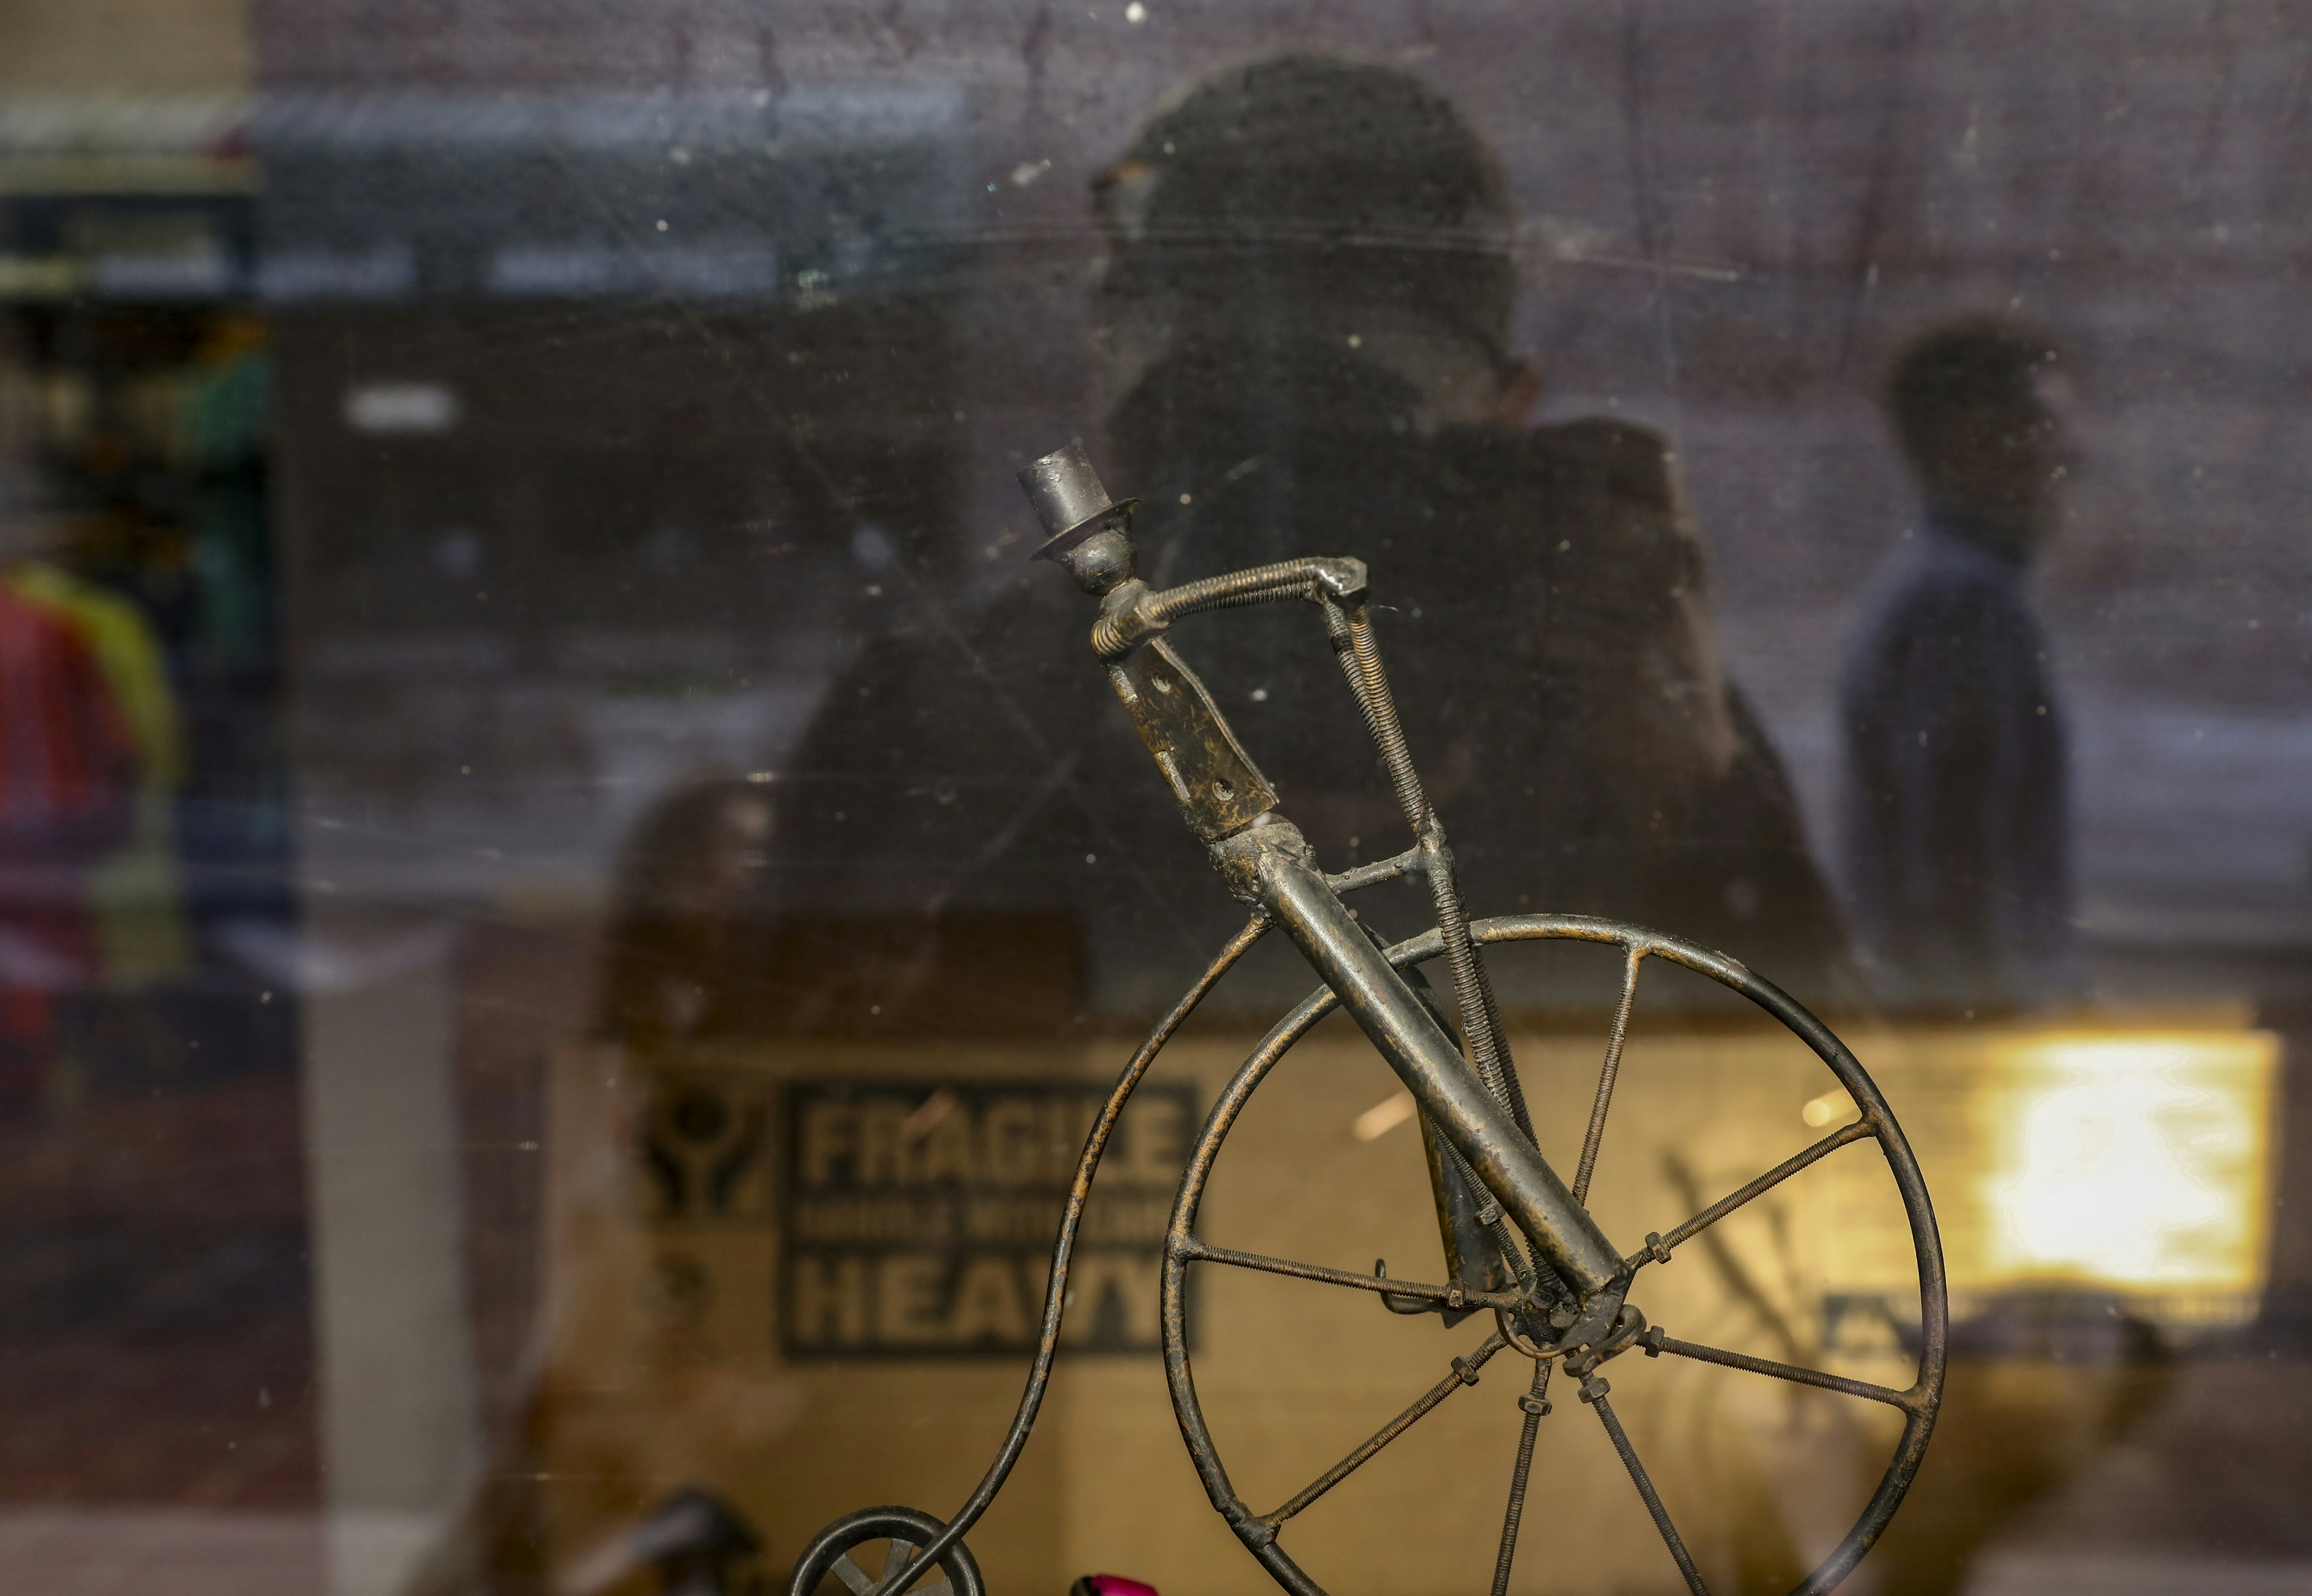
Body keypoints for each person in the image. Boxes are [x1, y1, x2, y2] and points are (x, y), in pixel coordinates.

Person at [756, 52, 1854, 1026]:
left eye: (1360, 445)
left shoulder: (1614, 706)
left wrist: (1682, 785)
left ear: (1510, 433)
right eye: (1226, 434)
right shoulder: (958, 719)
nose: (1296, 513)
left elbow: (1848, 1152)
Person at [1838, 317, 2079, 1013]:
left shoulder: (1937, 596)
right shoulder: (1966, 609)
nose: (2067, 464)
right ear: (1974, 442)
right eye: (2048, 439)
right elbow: (1957, 873)